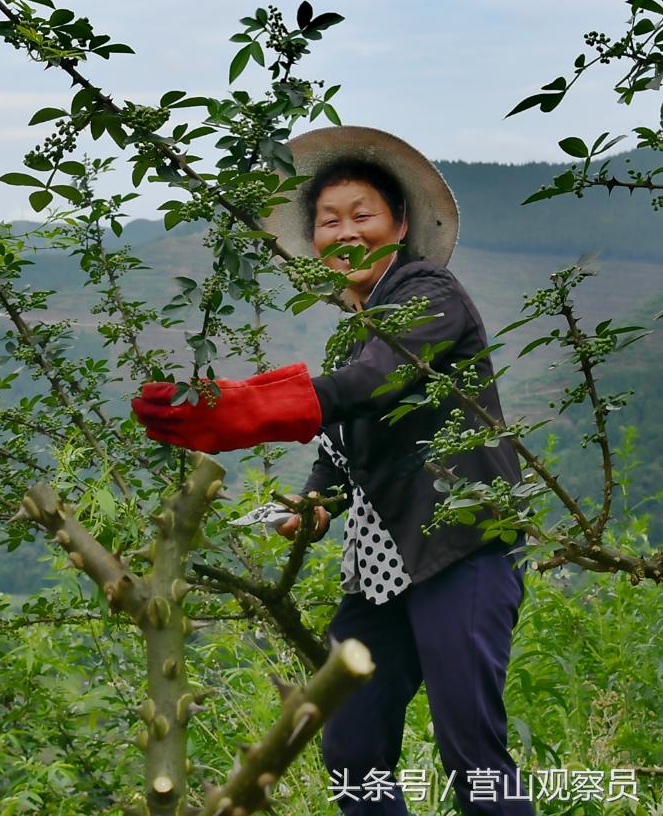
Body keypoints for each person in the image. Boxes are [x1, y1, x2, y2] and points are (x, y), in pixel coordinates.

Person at [131, 127, 533, 816]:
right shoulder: (354, 329)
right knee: (348, 742)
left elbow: (374, 385)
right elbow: (345, 440)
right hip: (382, 569)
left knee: (470, 752)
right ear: (313, 238)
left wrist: (241, 407)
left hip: (459, 548)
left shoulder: (428, 293)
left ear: (399, 225)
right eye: (328, 220)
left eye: (362, 215)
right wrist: (315, 500)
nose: (344, 231)